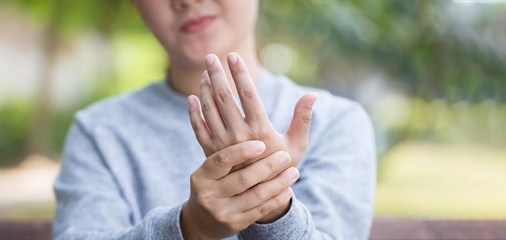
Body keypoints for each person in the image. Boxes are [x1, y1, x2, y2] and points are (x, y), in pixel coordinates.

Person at [52, 0, 376, 239]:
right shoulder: (99, 131)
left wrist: (272, 208)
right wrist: (190, 227)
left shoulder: (334, 122)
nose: (186, 2)